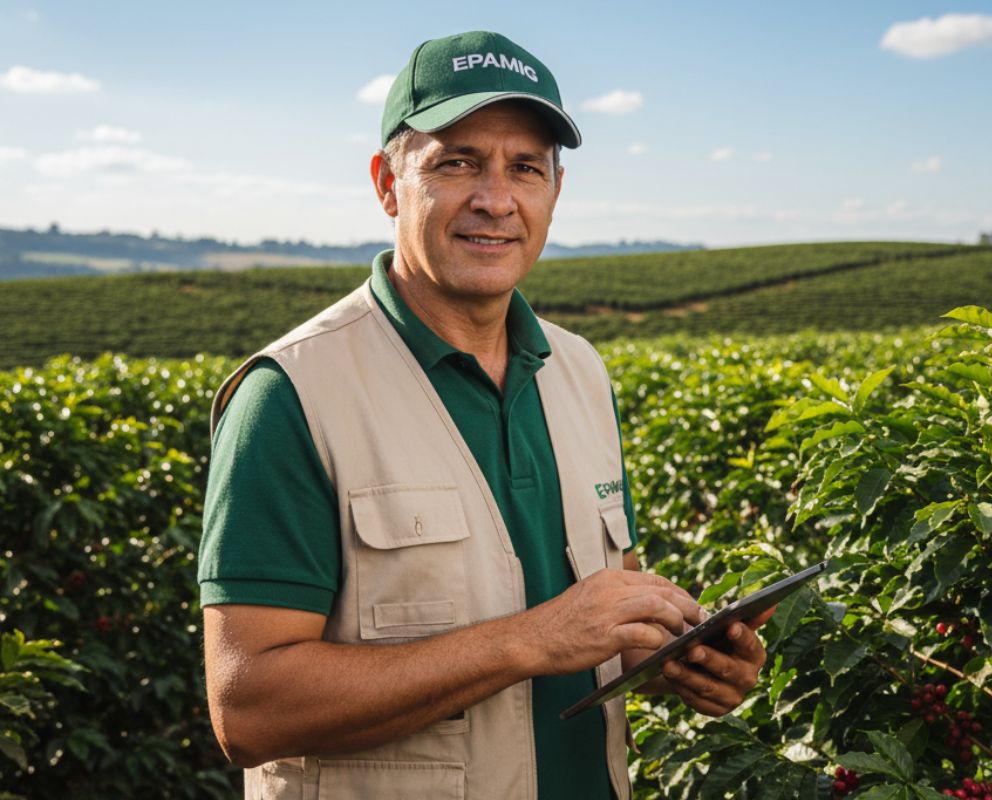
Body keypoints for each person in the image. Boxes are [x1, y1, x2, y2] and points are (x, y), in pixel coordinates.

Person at [198, 30, 773, 799]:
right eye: (457, 162)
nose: (496, 199)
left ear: (555, 192)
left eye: (525, 169)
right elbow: (248, 710)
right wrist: (528, 640)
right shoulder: (292, 396)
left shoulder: (580, 372)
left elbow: (598, 615)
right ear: (387, 183)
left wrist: (674, 660)